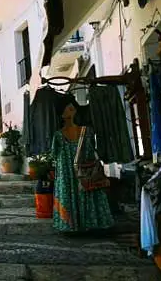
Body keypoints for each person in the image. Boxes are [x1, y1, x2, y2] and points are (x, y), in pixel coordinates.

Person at [51, 99, 115, 233]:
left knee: (76, 192)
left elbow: (54, 155)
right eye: (68, 108)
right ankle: (88, 223)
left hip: (74, 171)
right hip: (81, 169)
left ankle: (75, 224)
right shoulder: (61, 135)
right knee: (87, 191)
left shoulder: (84, 131)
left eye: (72, 107)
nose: (71, 109)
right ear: (62, 114)